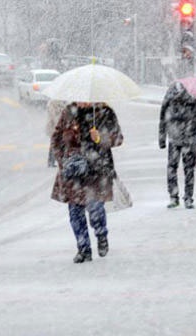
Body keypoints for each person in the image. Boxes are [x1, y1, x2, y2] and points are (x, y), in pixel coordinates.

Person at [51, 102, 123, 263]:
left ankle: (101, 234)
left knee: (95, 208)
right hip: (74, 173)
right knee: (75, 212)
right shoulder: (69, 112)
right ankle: (83, 248)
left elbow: (118, 138)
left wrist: (100, 138)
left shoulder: (105, 112)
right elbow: (56, 139)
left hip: (97, 171)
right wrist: (64, 160)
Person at [159, 82, 196, 209]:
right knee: (188, 169)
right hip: (188, 139)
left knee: (172, 168)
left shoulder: (169, 99)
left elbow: (162, 119)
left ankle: (174, 197)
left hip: (174, 139)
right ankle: (188, 198)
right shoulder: (192, 100)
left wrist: (162, 138)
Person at [45, 100, 67, 167]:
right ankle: (51, 161)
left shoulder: (64, 102)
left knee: (58, 142)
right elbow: (55, 117)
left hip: (58, 126)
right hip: (54, 126)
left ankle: (54, 160)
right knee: (54, 143)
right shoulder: (53, 103)